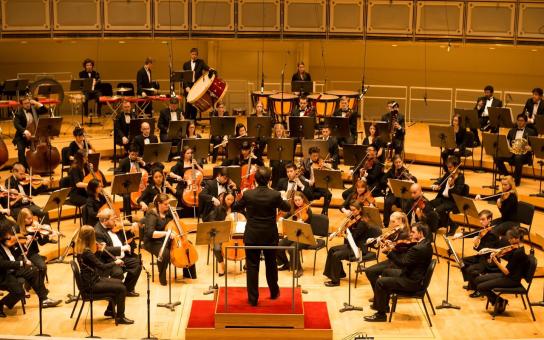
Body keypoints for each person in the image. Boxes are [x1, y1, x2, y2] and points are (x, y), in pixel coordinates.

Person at [233, 167, 290, 306]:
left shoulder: (248, 195)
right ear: (270, 180)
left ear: (255, 179)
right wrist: (282, 197)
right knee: (271, 265)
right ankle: (274, 292)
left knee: (252, 267)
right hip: (270, 235)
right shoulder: (275, 195)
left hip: (252, 235)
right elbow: (287, 207)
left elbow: (236, 207)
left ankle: (253, 299)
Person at [364, 223, 433, 322]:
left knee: (380, 282)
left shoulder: (418, 248)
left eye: (413, 232)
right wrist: (392, 249)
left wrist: (388, 252)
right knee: (387, 272)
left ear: (421, 233)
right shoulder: (425, 244)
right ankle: (384, 306)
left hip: (412, 282)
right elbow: (405, 258)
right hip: (414, 276)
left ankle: (380, 315)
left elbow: (402, 263)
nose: (411, 234)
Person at [75, 225, 133, 324]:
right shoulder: (87, 252)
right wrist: (115, 262)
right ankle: (120, 317)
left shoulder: (82, 249)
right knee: (121, 288)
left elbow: (93, 263)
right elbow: (101, 266)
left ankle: (110, 311)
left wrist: (99, 251)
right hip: (91, 284)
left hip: (92, 280)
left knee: (119, 282)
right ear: (91, 237)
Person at [0, 225, 61, 317]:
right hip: (4, 274)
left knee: (34, 271)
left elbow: (15, 254)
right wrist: (21, 263)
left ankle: (44, 299)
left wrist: (23, 249)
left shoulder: (7, 244)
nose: (10, 238)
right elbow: (2, 264)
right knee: (19, 292)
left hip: (13, 269)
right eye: (8, 237)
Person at [142, 193, 196, 285]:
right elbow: (151, 233)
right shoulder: (152, 214)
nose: (168, 206)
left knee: (187, 245)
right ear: (159, 204)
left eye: (169, 203)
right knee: (165, 253)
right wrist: (166, 233)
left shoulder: (169, 211)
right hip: (153, 241)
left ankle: (188, 273)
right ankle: (162, 276)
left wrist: (175, 214)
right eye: (166, 204)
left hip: (167, 238)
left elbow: (177, 224)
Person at [323, 201, 381, 287]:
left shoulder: (362, 223)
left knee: (336, 255)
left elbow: (353, 237)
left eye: (354, 210)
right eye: (351, 210)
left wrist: (343, 234)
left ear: (359, 210)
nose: (351, 212)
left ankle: (335, 281)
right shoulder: (353, 219)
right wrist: (343, 227)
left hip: (359, 248)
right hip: (352, 245)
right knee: (332, 250)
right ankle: (338, 274)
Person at [474, 228, 530, 315]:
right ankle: (498, 301)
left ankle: (500, 301)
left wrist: (495, 261)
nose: (508, 240)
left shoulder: (518, 253)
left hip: (512, 280)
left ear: (517, 239)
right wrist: (492, 251)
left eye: (511, 238)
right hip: (507, 276)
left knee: (481, 287)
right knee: (478, 280)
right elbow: (504, 253)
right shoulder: (516, 248)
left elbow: (506, 271)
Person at [94, 209, 141, 296]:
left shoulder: (112, 227)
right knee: (118, 273)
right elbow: (104, 250)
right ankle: (116, 293)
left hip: (120, 257)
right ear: (105, 221)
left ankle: (127, 289)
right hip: (109, 260)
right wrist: (122, 248)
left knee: (137, 265)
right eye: (113, 219)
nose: (115, 221)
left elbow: (122, 238)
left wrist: (131, 232)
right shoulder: (98, 232)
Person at [456, 210, 503, 295]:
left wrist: (477, 244)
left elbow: (486, 251)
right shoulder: (484, 229)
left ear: (489, 219)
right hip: (482, 257)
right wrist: (462, 235)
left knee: (471, 269)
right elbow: (474, 232)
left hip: (490, 260)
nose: (481, 221)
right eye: (480, 219)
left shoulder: (493, 233)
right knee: (462, 261)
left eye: (483, 219)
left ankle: (479, 290)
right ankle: (473, 283)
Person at [364, 212, 411, 294]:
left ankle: (380, 295)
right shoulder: (395, 232)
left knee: (371, 271)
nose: (391, 224)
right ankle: (379, 294)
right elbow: (389, 250)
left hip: (399, 262)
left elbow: (400, 251)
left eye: (393, 222)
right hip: (392, 259)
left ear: (401, 221)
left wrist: (388, 248)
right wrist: (379, 242)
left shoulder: (405, 234)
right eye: (390, 222)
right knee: (369, 271)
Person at [16, 208, 56, 287]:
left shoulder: (35, 228)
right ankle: (30, 285)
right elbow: (15, 244)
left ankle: (39, 285)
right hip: (21, 255)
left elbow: (41, 243)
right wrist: (26, 241)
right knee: (32, 270)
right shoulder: (17, 229)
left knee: (43, 267)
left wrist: (48, 237)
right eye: (28, 219)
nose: (31, 220)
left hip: (32, 253)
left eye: (32, 218)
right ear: (22, 219)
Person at [494, 113, 536, 186]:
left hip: (524, 154)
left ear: (526, 122)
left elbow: (535, 147)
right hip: (512, 152)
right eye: (518, 120)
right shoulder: (512, 131)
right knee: (496, 156)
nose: (519, 122)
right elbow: (506, 142)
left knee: (518, 157)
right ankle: (507, 176)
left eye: (522, 120)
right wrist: (508, 147)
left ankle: (516, 180)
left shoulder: (531, 132)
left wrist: (530, 148)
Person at [277, 192, 312, 277]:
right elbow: (286, 216)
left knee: (292, 248)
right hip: (294, 235)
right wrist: (281, 218)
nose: (297, 202)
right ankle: (286, 264)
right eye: (295, 200)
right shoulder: (294, 210)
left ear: (303, 199)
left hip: (305, 236)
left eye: (299, 200)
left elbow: (308, 224)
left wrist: (302, 222)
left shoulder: (308, 210)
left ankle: (299, 269)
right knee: (278, 245)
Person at [430, 156, 465, 235]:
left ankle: (452, 224)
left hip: (452, 201)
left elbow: (457, 193)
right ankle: (441, 223)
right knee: (429, 205)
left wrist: (452, 186)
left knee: (438, 210)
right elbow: (440, 181)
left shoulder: (460, 177)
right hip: (442, 198)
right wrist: (436, 185)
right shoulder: (448, 173)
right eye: (448, 167)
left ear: (456, 167)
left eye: (451, 167)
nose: (449, 169)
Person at [207, 190, 240, 276]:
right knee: (217, 248)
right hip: (220, 233)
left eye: (232, 199)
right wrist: (222, 223)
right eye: (228, 199)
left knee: (248, 244)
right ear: (224, 198)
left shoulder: (237, 208)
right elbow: (211, 221)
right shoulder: (218, 208)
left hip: (234, 234)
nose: (230, 201)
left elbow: (243, 218)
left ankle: (247, 265)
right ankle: (221, 265)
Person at [12, 96, 47, 170]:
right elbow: (16, 124)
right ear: (22, 105)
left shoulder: (34, 110)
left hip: (34, 136)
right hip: (22, 136)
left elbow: (45, 110)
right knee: (21, 150)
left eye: (28, 103)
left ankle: (39, 165)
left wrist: (36, 103)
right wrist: (25, 131)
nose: (27, 105)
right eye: (25, 103)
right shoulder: (19, 113)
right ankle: (22, 169)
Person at [381, 155, 417, 227]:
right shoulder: (391, 171)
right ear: (394, 163)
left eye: (399, 162)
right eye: (396, 162)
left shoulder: (405, 171)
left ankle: (406, 224)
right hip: (393, 193)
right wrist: (388, 183)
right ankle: (386, 223)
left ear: (402, 162)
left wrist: (411, 180)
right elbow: (382, 180)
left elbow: (414, 180)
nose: (398, 164)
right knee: (388, 202)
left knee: (406, 205)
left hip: (402, 194)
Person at [301, 146, 332, 215]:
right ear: (310, 155)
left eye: (317, 156)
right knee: (309, 195)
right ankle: (306, 211)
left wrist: (324, 168)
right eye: (314, 156)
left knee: (329, 194)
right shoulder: (304, 162)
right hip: (309, 184)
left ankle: (325, 211)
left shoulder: (320, 161)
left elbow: (328, 172)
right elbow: (301, 175)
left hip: (318, 184)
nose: (316, 158)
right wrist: (308, 181)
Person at [183, 48, 209, 120]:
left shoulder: (201, 62)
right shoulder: (186, 64)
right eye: (192, 54)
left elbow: (207, 68)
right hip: (188, 87)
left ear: (197, 55)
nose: (194, 56)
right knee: (188, 104)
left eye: (195, 54)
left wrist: (211, 70)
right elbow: (184, 78)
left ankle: (193, 121)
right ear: (190, 54)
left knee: (195, 105)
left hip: (197, 87)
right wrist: (186, 86)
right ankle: (187, 120)